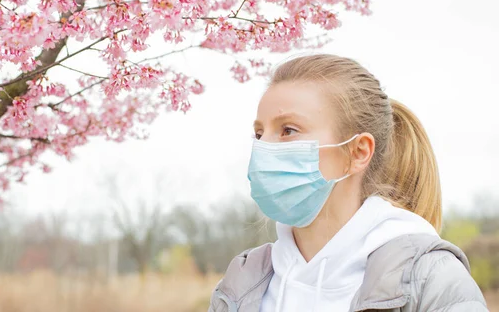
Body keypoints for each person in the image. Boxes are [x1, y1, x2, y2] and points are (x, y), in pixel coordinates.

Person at [208, 54, 488, 312]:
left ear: (358, 152)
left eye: (288, 130)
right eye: (259, 134)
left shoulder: (430, 278)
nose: (263, 148)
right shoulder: (241, 283)